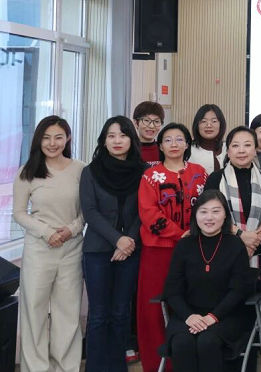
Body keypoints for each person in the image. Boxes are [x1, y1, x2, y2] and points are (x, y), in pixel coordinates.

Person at [13, 116, 85, 371]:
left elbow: (88, 210)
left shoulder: (80, 169)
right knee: (34, 310)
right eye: (46, 137)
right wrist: (46, 232)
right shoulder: (27, 171)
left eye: (58, 137)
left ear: (68, 139)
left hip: (71, 248)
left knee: (68, 313)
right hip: (38, 249)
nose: (52, 143)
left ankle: (66, 367)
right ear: (38, 140)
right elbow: (19, 213)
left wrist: (71, 229)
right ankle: (36, 367)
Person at [137, 122, 208, 372]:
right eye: (168, 140)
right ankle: (158, 364)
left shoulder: (200, 173)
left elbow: (209, 208)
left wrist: (194, 234)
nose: (174, 144)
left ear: (188, 144)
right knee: (154, 309)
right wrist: (180, 234)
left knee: (192, 303)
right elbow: (148, 213)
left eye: (179, 139)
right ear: (160, 145)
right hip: (158, 251)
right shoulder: (150, 175)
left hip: (195, 250)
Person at [80, 116, 146, 372]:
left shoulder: (143, 172)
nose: (117, 140)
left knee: (121, 312)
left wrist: (129, 241)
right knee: (99, 314)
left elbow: (144, 211)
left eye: (123, 135)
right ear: (103, 140)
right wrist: (118, 239)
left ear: (132, 139)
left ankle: (118, 367)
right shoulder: (90, 172)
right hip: (97, 251)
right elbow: (90, 212)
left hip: (131, 250)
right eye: (111, 135)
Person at [161, 190, 254, 372]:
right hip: (188, 314)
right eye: (203, 211)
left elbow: (238, 290)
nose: (209, 217)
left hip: (226, 315)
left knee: (207, 341)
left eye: (216, 211)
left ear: (225, 215)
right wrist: (189, 316)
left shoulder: (235, 245)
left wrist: (213, 317)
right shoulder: (184, 245)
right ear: (195, 215)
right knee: (181, 342)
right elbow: (172, 290)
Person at [204, 127, 261, 287]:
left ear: (255, 150)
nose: (241, 150)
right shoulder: (216, 178)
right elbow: (209, 215)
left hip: (260, 250)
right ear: (228, 151)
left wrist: (255, 239)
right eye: (235, 145)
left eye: (247, 145)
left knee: (259, 297)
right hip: (224, 250)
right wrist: (242, 235)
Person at [188, 104, 227, 174]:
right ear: (197, 125)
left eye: (214, 121)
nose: (209, 125)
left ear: (221, 124)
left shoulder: (228, 148)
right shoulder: (188, 150)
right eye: (203, 121)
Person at [133, 101, 165, 167]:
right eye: (146, 120)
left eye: (156, 121)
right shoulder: (129, 149)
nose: (151, 126)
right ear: (136, 123)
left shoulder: (164, 150)